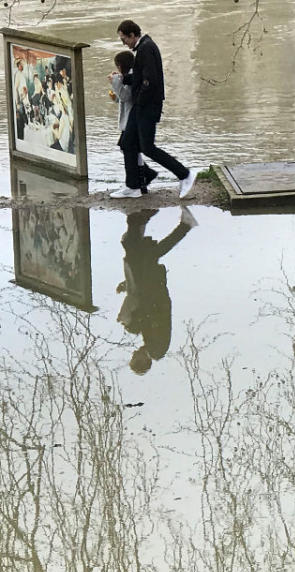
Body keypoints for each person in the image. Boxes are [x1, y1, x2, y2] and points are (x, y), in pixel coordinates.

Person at [111, 20, 197, 200]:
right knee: (127, 144)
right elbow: (141, 76)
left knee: (147, 148)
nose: (123, 43)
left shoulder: (146, 49)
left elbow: (150, 81)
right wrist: (123, 79)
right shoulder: (144, 48)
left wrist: (140, 102)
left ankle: (185, 175)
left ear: (133, 35)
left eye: (124, 39)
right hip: (141, 106)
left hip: (146, 107)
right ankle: (133, 186)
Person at [116, 206, 198, 374]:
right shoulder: (157, 349)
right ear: (143, 361)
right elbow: (154, 315)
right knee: (139, 253)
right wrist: (132, 323)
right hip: (153, 292)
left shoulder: (152, 347)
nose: (133, 352)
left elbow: (147, 316)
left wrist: (129, 285)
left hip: (150, 291)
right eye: (134, 357)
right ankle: (138, 218)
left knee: (138, 253)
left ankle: (140, 218)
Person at [110, 50, 158, 194]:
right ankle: (144, 177)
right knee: (130, 148)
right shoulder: (129, 75)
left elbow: (126, 96)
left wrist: (115, 82)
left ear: (121, 65)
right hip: (130, 118)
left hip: (133, 119)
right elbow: (122, 97)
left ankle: (140, 179)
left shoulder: (132, 76)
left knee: (128, 146)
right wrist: (116, 96)